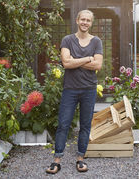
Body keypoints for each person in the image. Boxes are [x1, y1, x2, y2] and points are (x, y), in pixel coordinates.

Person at [46, 9, 103, 174]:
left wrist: (74, 61)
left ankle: (80, 159)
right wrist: (87, 59)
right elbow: (66, 63)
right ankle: (57, 160)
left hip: (89, 90)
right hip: (70, 89)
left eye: (88, 20)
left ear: (91, 23)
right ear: (77, 21)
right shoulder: (68, 40)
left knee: (85, 125)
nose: (85, 22)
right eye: (82, 19)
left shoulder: (96, 41)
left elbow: (97, 65)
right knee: (63, 124)